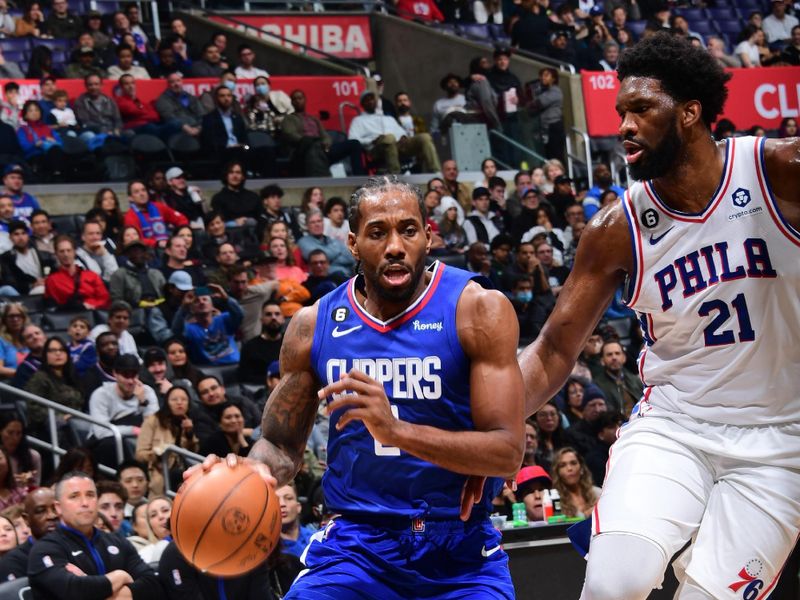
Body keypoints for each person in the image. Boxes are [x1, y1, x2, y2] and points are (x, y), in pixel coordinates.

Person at [513, 32, 800, 599]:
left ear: (690, 113)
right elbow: (552, 350)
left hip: (782, 442)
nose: (624, 126)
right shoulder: (615, 229)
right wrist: (487, 428)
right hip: (675, 427)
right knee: (614, 585)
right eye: (621, 112)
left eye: (641, 109)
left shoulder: (779, 172)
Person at [190, 176, 524, 598]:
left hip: (459, 548)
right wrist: (253, 473)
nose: (395, 246)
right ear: (352, 243)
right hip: (359, 543)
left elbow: (506, 450)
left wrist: (397, 432)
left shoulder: (476, 308)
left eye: (408, 229)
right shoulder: (314, 325)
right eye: (377, 232)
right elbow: (279, 444)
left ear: (428, 236)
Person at [27, 472, 163, 600]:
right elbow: (73, 590)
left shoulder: (116, 541)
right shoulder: (44, 550)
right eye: (74, 496)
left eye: (90, 495)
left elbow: (152, 584)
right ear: (58, 507)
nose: (85, 503)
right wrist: (119, 577)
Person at [348, 91, 441, 174]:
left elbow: (401, 132)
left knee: (424, 137)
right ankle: (395, 174)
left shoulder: (388, 118)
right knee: (389, 138)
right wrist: (371, 140)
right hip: (376, 149)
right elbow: (352, 140)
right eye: (367, 100)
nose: (370, 101)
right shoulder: (358, 120)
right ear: (362, 104)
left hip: (398, 145)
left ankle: (436, 172)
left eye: (372, 99)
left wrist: (403, 137)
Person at [135, 385, 198, 496]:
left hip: (186, 472)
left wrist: (189, 434)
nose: (179, 403)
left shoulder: (189, 422)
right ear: (166, 402)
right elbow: (140, 454)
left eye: (184, 399)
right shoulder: (153, 420)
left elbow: (194, 453)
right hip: (160, 473)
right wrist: (159, 454)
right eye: (174, 399)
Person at [24, 336, 84, 435]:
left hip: (77, 422)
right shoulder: (40, 378)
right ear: (45, 356)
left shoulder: (72, 376)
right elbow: (33, 407)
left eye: (62, 350)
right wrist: (60, 417)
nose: (58, 353)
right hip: (51, 429)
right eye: (52, 350)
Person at [0, 487, 57, 581]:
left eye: (8, 529)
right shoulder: (14, 561)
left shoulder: (75, 542)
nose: (51, 515)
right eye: (40, 511)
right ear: (27, 519)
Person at [551, 447, 601, 519]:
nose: (569, 468)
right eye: (563, 465)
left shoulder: (598, 493)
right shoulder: (555, 500)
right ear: (557, 472)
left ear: (581, 468)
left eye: (573, 463)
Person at [0, 411, 40, 488]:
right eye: (10, 433)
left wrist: (28, 484)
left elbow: (36, 489)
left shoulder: (33, 456)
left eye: (18, 433)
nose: (15, 438)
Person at [276, 482, 314, 557]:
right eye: (275, 499)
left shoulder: (316, 538)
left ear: (298, 507)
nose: (282, 504)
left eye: (288, 498)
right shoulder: (267, 550)